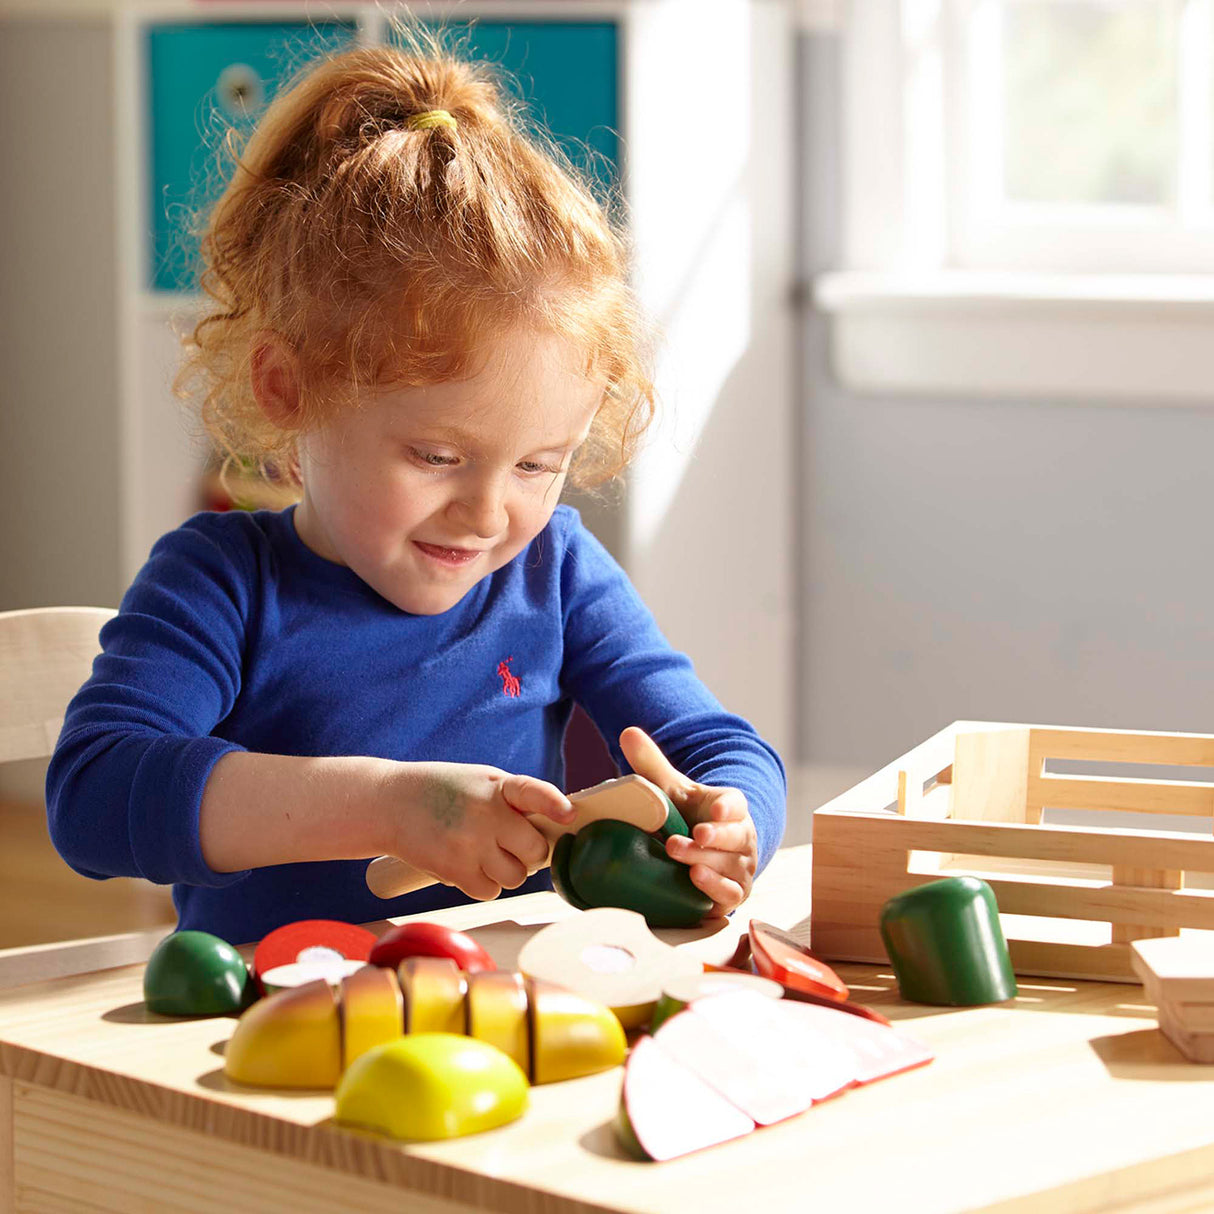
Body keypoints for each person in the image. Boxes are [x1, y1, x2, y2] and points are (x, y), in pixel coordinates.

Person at [46, 36, 786, 947]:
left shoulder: (556, 570)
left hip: (505, 1028)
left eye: (535, 463)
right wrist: (392, 805)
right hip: (269, 1043)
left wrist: (732, 822)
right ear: (291, 389)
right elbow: (94, 794)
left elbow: (722, 750)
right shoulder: (221, 581)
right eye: (437, 456)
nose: (487, 514)